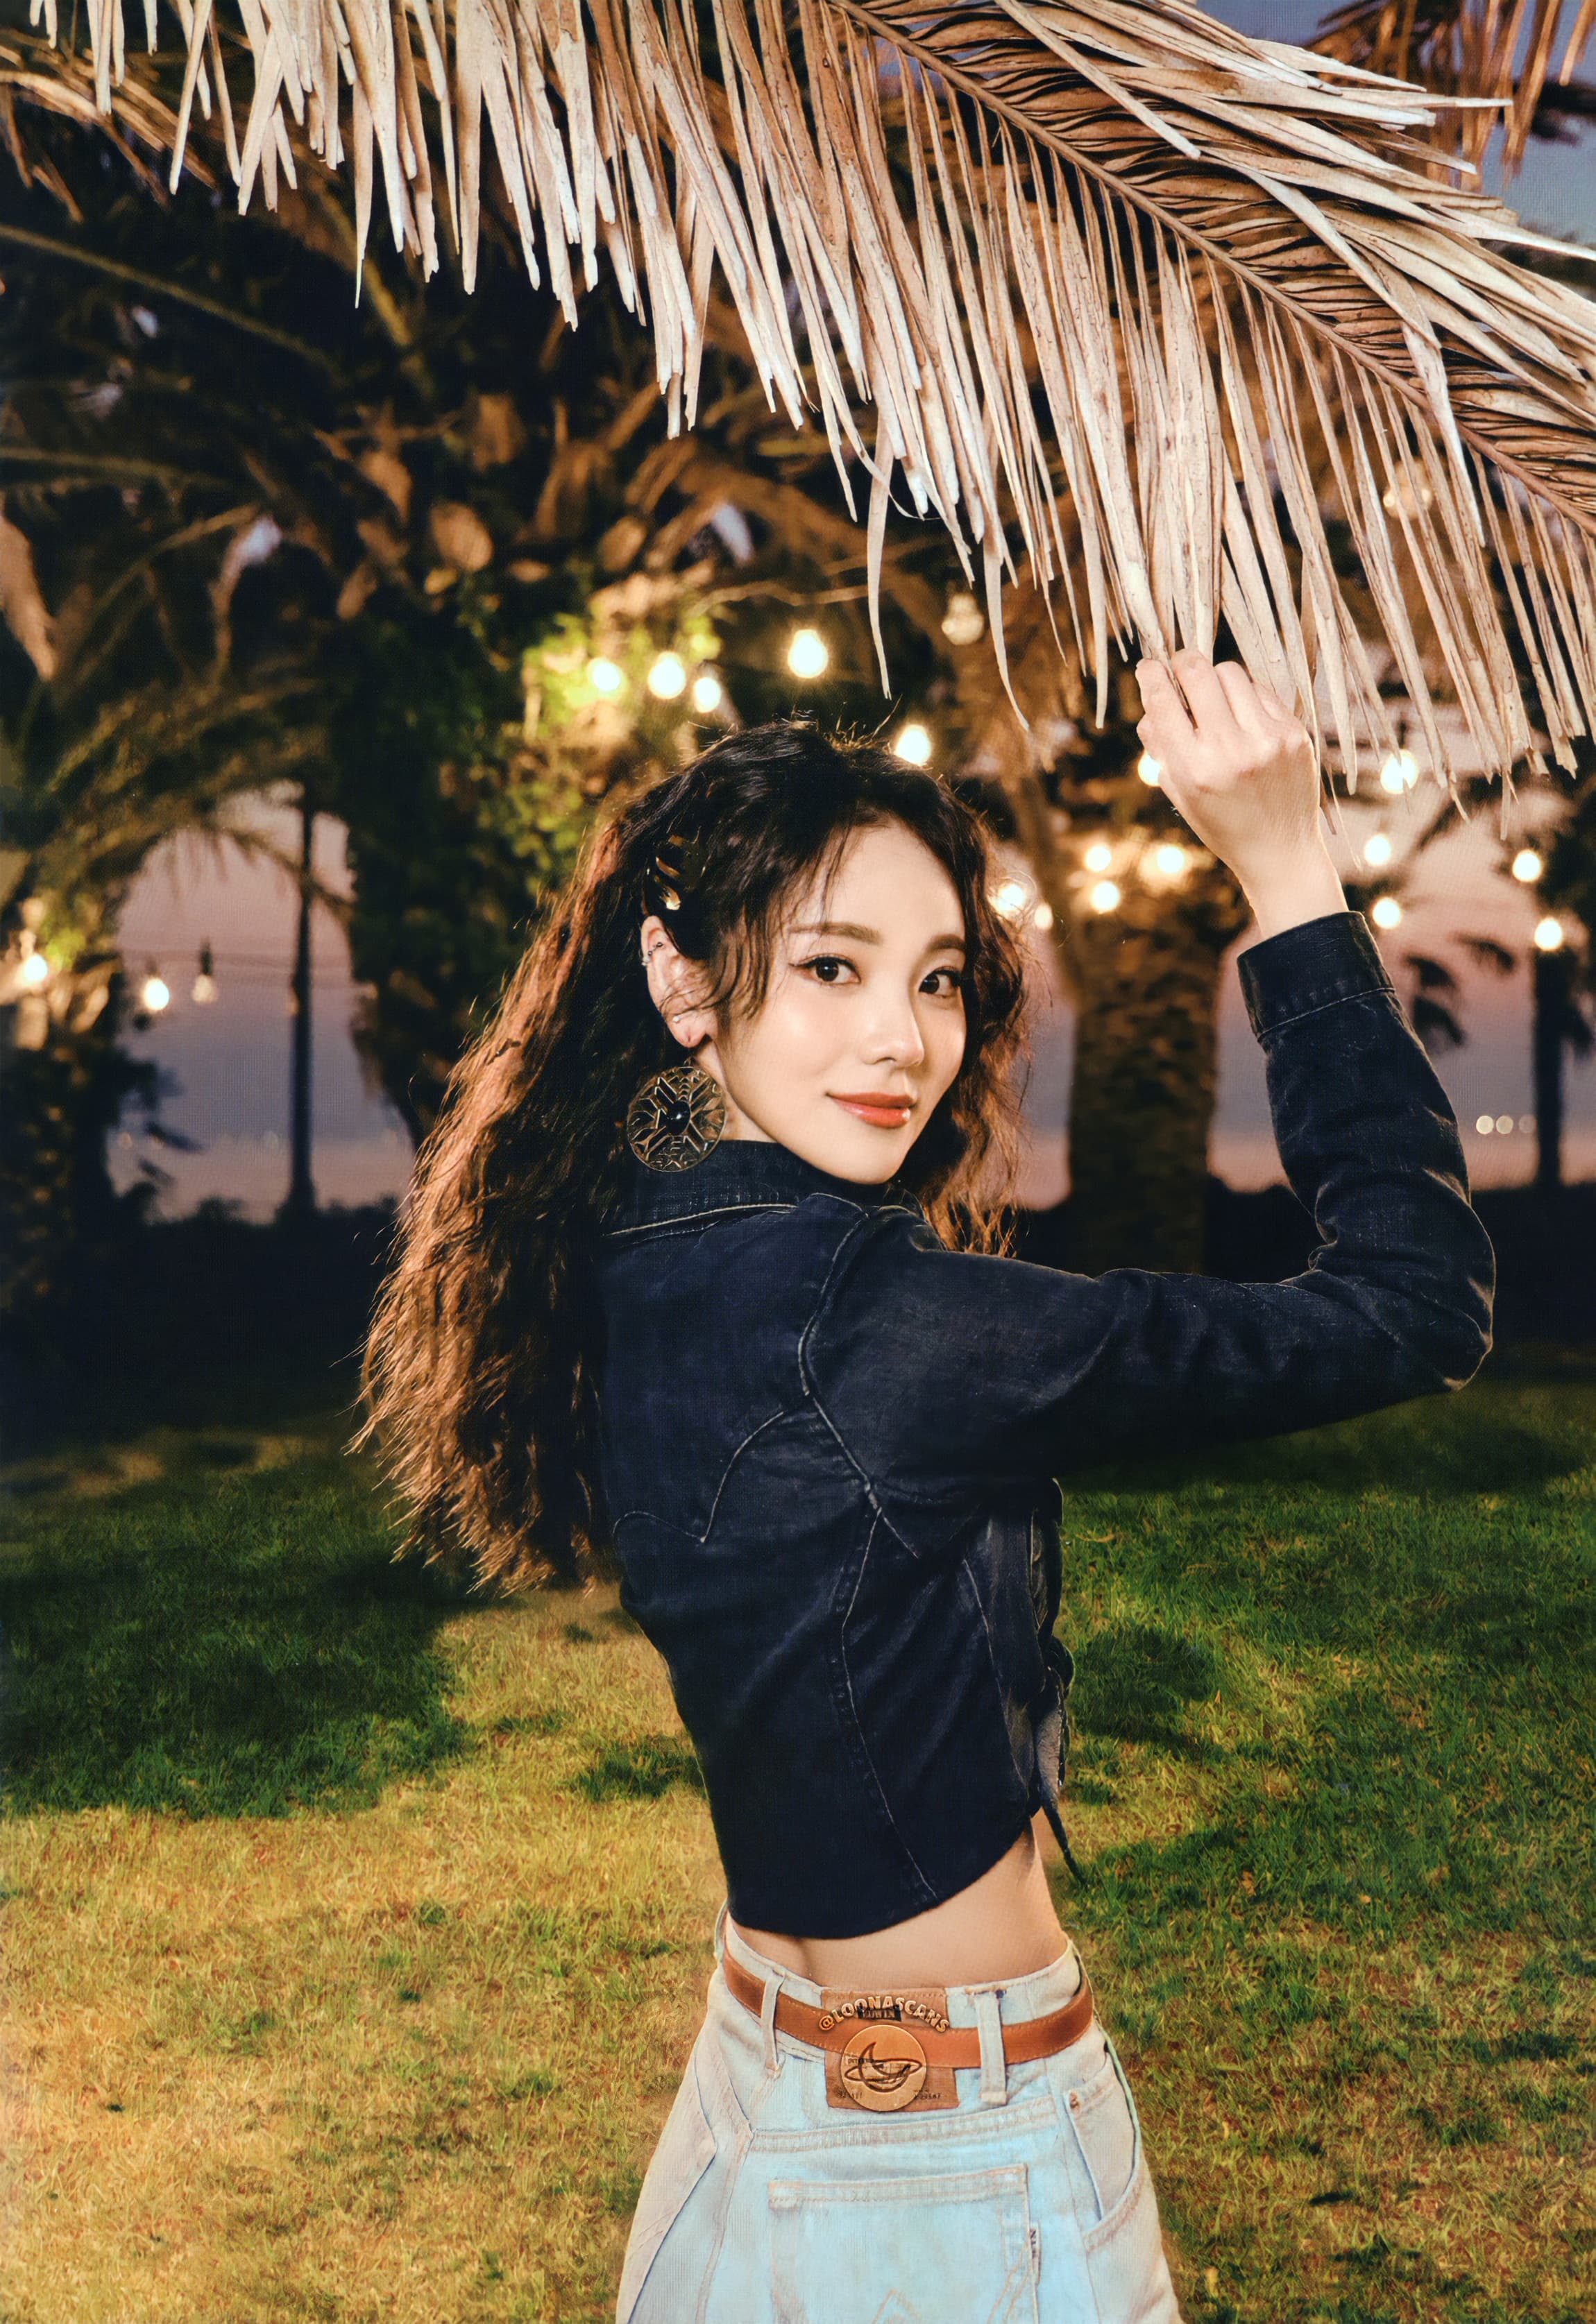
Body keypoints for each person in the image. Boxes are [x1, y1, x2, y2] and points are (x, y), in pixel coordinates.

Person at [362, 652, 1493, 2323]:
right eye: (832, 965)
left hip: (759, 2091)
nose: (903, 1039)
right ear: (681, 975)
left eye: (941, 978)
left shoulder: (626, 1250)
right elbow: (1411, 1303)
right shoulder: (874, 1319)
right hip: (942, 2160)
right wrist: (1288, 872)